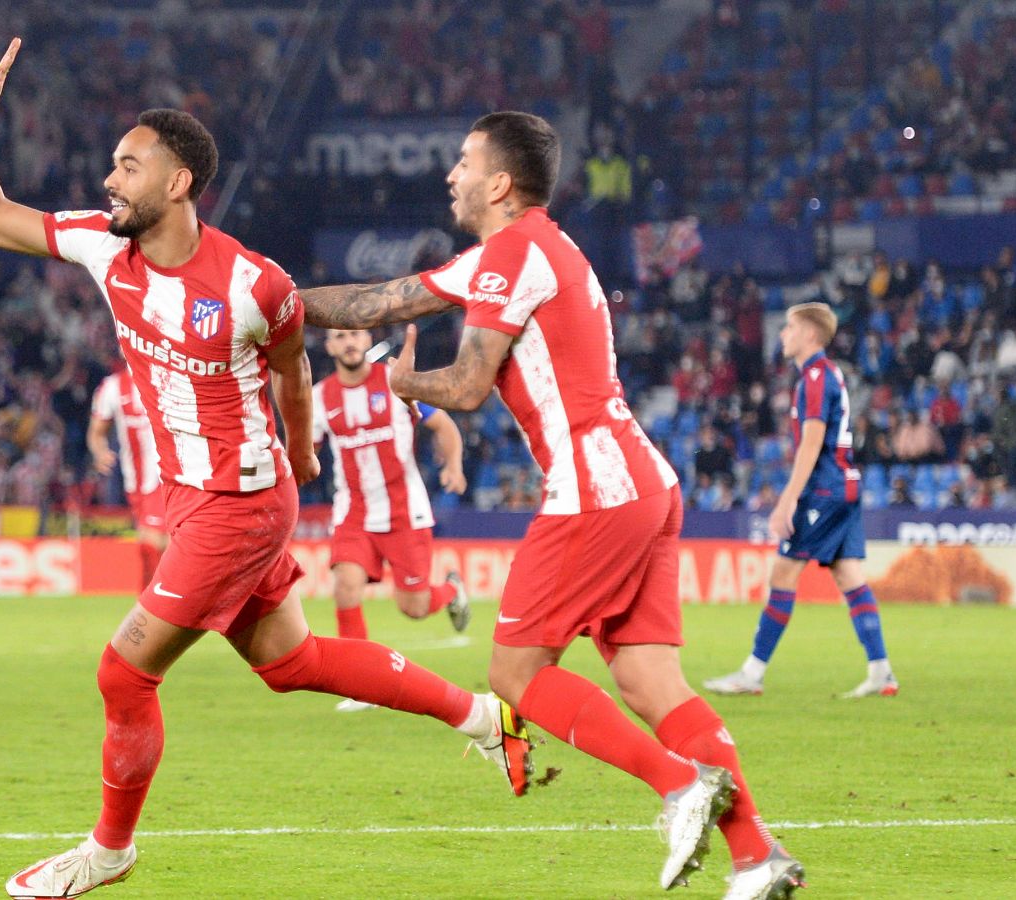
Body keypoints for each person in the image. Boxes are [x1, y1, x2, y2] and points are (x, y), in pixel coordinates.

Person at [0, 41, 531, 900]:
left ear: (177, 182)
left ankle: (108, 852)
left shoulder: (254, 286)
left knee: (123, 671)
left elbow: (294, 371)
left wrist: (298, 448)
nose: (109, 181)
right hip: (195, 497)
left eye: (128, 167)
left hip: (237, 505)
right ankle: (486, 718)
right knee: (292, 663)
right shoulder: (102, 246)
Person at [300, 111, 803, 900]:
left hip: (595, 486)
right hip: (642, 480)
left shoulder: (512, 252)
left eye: (464, 162)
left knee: (514, 672)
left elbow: (467, 385)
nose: (451, 175)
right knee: (651, 683)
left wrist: (406, 384)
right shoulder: (525, 251)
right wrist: (275, 301)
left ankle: (679, 785)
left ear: (500, 182)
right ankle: (756, 855)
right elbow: (376, 302)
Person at [704, 303, 899, 702]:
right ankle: (881, 671)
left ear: (810, 334)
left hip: (823, 491)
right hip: (845, 485)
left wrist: (787, 500)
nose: (782, 334)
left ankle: (752, 673)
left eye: (790, 327)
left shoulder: (814, 378)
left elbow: (811, 443)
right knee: (849, 576)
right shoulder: (829, 374)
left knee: (783, 574)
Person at [314, 327, 471, 712]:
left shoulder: (395, 381)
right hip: (353, 511)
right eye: (339, 336)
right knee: (345, 586)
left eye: (354, 335)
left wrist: (453, 466)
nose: (349, 342)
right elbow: (305, 449)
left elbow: (443, 424)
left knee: (414, 607)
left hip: (404, 512)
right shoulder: (318, 398)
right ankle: (361, 685)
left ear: (367, 340)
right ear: (329, 346)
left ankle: (451, 592)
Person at [88, 366, 166, 589]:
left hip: (165, 475)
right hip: (134, 480)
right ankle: (154, 600)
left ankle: (155, 602)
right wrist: (99, 452)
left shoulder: (169, 377)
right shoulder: (112, 387)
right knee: (148, 541)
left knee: (158, 540)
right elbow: (96, 433)